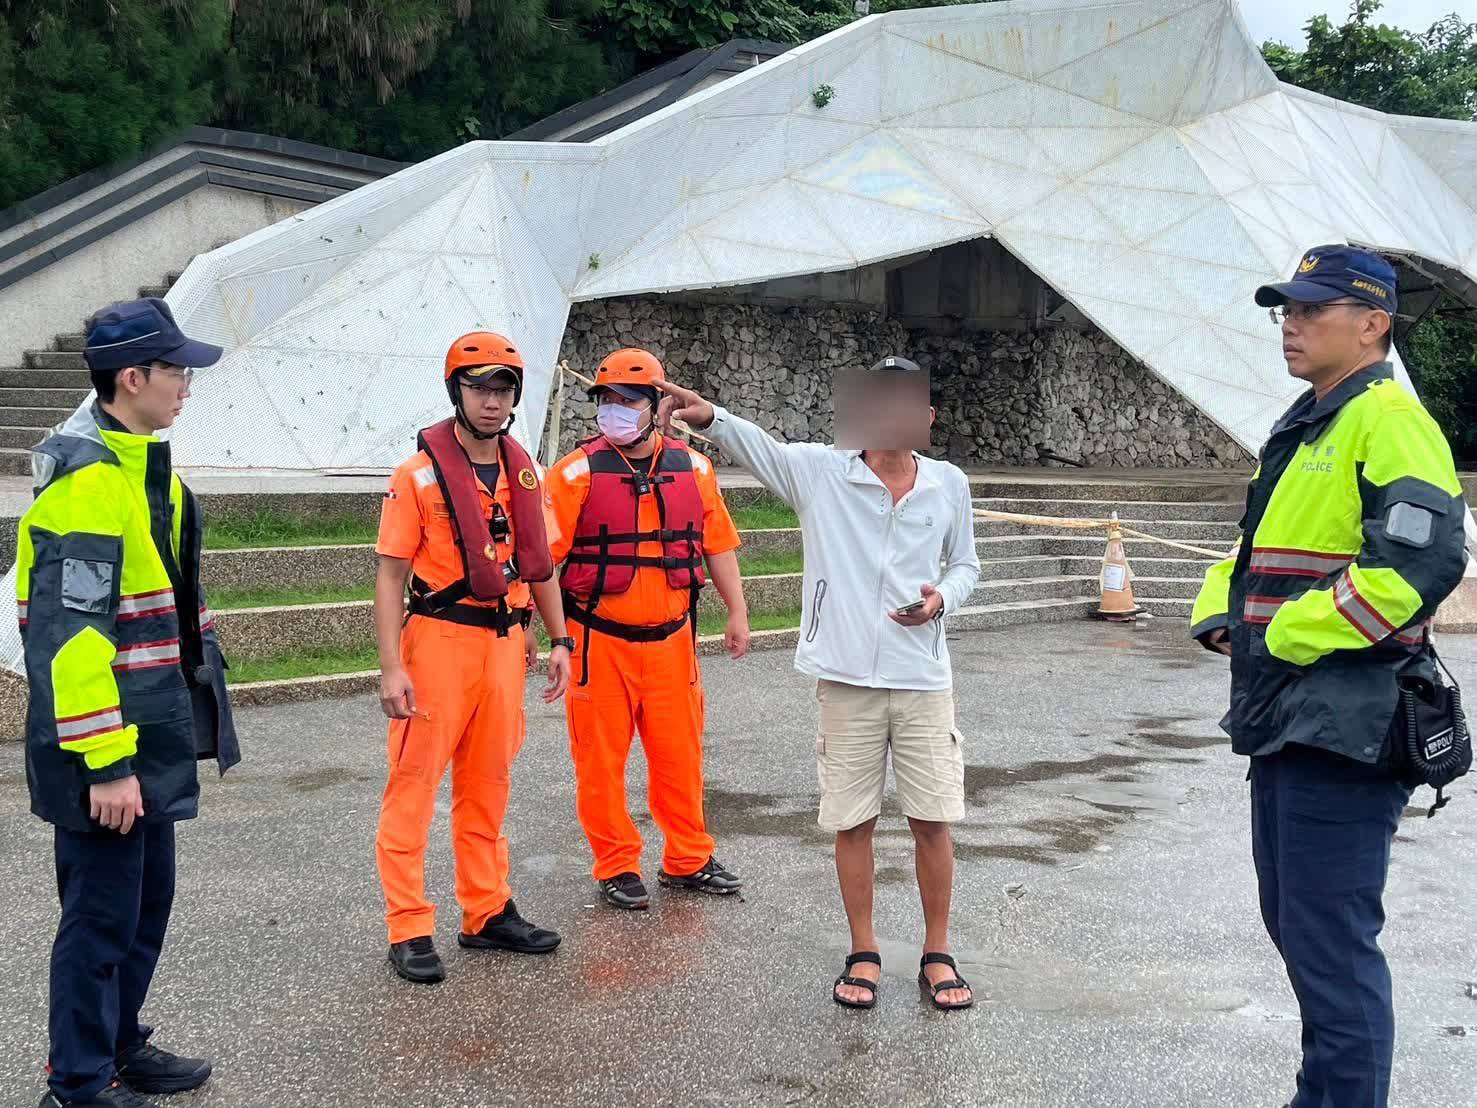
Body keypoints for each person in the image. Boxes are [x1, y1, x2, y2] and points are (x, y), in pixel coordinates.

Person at [1190, 246, 1468, 1108]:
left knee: (1330, 943)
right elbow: (1252, 548)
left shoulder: (1387, 418)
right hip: (1290, 714)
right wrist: (1219, 614)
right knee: (1301, 929)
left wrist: (1281, 636)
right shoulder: (1312, 417)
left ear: (1372, 323)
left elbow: (1417, 567)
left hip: (1345, 719)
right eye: (1286, 310)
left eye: (1311, 310)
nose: (1291, 324)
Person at [656, 355, 981, 1011]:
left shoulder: (947, 484)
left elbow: (966, 564)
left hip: (920, 677)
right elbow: (761, 448)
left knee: (932, 821)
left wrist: (940, 599)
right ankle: (862, 950)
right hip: (844, 679)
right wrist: (711, 416)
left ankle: (936, 952)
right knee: (851, 820)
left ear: (926, 417)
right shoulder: (821, 473)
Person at [17, 299, 240, 1108]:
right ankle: (75, 1082)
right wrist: (106, 763)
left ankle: (116, 1045)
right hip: (108, 752)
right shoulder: (86, 485)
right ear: (132, 378)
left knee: (143, 907)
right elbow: (69, 643)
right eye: (177, 371)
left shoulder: (147, 472)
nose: (186, 385)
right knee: (100, 919)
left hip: (150, 737)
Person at [374, 330, 573, 985]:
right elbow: (389, 575)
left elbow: (540, 565)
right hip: (436, 643)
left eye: (503, 389)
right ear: (455, 391)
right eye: (478, 387)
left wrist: (560, 639)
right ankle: (408, 925)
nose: (491, 401)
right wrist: (391, 667)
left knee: (488, 784)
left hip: (503, 643)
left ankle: (485, 912)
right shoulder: (418, 474)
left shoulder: (525, 473)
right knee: (414, 788)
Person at [543, 348, 749, 910]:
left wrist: (737, 610)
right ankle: (616, 864)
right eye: (607, 400)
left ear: (659, 405)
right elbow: (541, 563)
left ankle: (688, 859)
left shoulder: (695, 468)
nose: (616, 409)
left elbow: (718, 545)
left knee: (680, 756)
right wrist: (550, 637)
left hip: (672, 641)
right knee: (599, 761)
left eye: (629, 400)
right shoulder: (575, 473)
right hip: (597, 641)